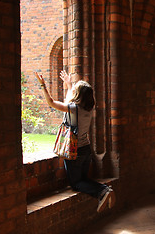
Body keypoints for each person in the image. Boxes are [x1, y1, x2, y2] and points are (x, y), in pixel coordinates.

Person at [34, 70, 115, 213]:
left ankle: (103, 192)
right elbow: (70, 101)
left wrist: (43, 85)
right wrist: (69, 85)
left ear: (77, 95)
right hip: (86, 150)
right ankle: (105, 191)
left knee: (76, 183)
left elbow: (51, 103)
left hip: (74, 151)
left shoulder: (73, 109)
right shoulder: (89, 109)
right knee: (84, 179)